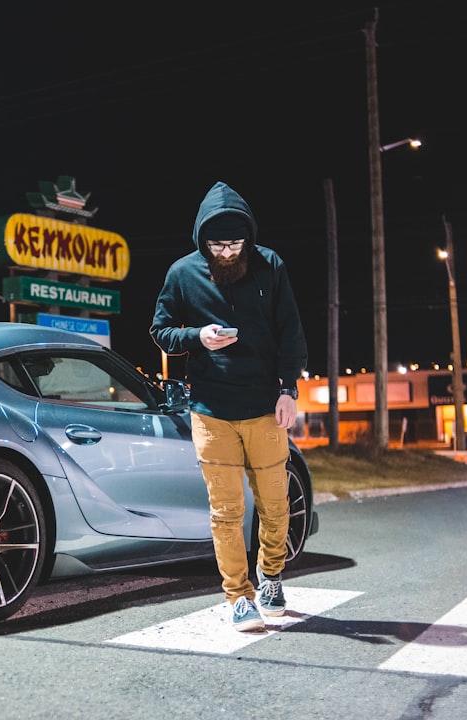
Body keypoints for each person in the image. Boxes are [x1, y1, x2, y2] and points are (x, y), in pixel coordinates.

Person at [150, 181, 308, 632]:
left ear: (248, 238)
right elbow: (160, 331)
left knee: (275, 503)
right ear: (202, 240)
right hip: (210, 409)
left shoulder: (269, 265)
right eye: (216, 244)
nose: (225, 252)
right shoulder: (182, 273)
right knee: (226, 510)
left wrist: (288, 389)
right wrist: (196, 337)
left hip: (264, 406)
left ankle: (271, 576)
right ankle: (238, 595)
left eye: (234, 243)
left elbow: (290, 330)